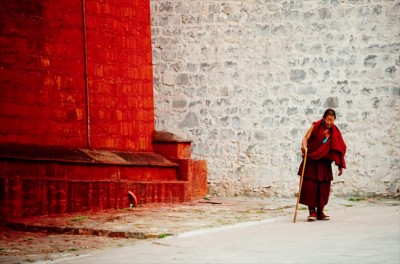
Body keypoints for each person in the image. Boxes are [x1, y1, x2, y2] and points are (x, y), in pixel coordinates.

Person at [298, 108, 347, 221]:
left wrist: (339, 165)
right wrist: (304, 146)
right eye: (328, 119)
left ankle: (320, 212)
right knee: (311, 187)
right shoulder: (315, 126)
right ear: (324, 118)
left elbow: (339, 147)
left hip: (325, 164)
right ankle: (312, 212)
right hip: (312, 161)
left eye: (332, 120)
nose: (330, 122)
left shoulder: (334, 131)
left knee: (323, 188)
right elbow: (305, 139)